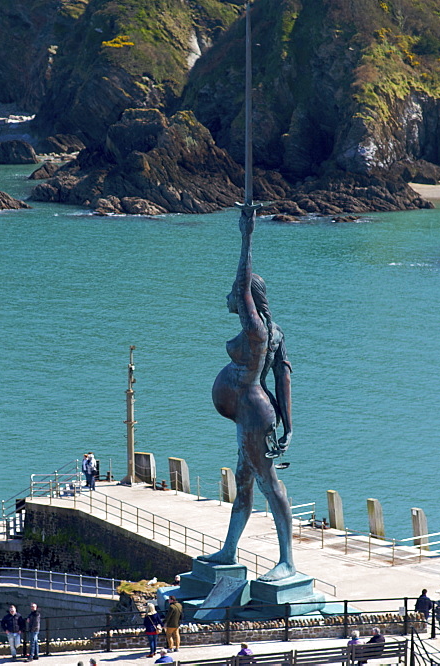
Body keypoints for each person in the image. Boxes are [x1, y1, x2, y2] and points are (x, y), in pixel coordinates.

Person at [200, 207, 295, 582]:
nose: (230, 296)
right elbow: (284, 375)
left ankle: (287, 561)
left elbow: (240, 287)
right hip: (251, 412)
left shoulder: (256, 330)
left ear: (248, 302)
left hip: (253, 413)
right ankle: (228, 550)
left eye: (236, 294)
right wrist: (289, 424)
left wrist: (246, 236)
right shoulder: (274, 332)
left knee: (269, 484)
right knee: (243, 481)